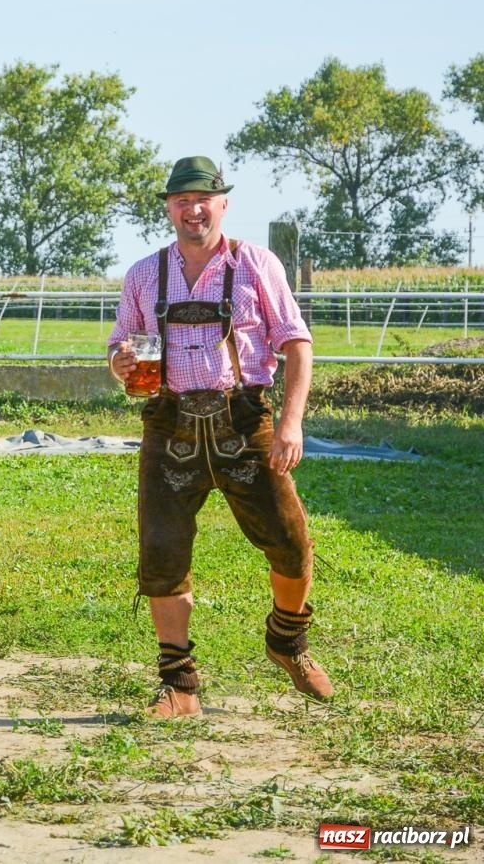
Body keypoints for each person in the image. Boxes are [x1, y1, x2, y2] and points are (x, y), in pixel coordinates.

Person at [107, 156, 332, 719]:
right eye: (182, 200)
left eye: (203, 199)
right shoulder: (142, 275)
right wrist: (121, 362)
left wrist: (291, 422)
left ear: (222, 204)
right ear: (168, 208)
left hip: (244, 420)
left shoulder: (256, 264)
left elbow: (297, 345)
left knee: (289, 539)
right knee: (161, 552)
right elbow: (119, 345)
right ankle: (180, 686)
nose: (193, 209)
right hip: (169, 424)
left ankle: (287, 640)